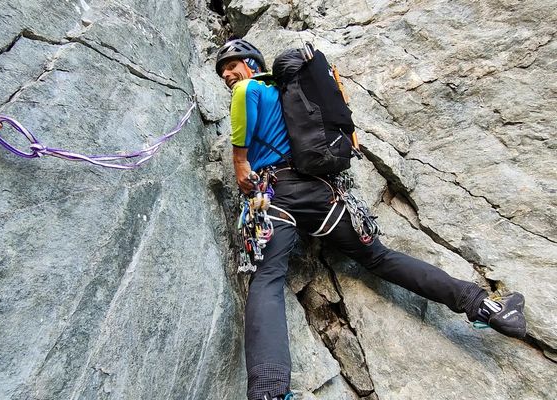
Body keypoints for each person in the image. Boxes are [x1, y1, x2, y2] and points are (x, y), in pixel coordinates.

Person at [215, 39, 527, 400]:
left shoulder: (249, 89)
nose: (227, 74)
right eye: (222, 71)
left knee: (268, 278)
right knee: (378, 257)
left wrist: (240, 163)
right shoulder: (290, 96)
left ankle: (269, 392)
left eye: (232, 64)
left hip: (274, 195)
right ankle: (485, 306)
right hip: (323, 194)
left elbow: (240, 111)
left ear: (252, 64)